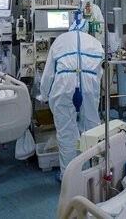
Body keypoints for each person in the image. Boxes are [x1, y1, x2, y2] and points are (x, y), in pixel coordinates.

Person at [39, 12, 104, 182]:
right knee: (91, 130)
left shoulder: (60, 40)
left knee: (66, 133)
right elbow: (100, 72)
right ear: (86, 29)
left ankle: (68, 177)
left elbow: (48, 73)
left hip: (64, 86)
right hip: (89, 84)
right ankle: (92, 174)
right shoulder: (96, 43)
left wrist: (44, 94)